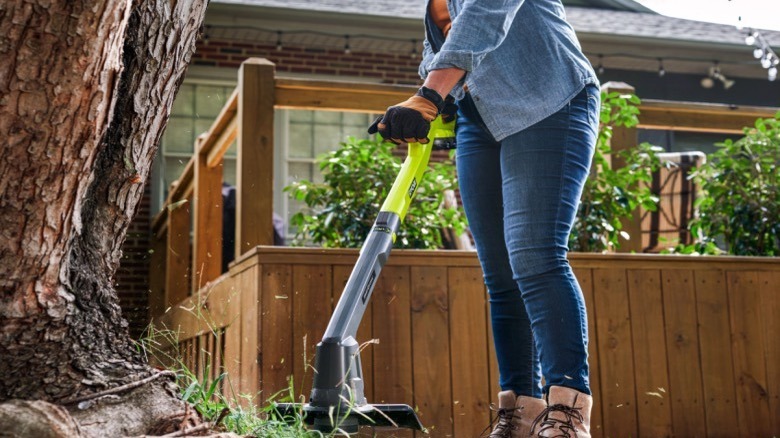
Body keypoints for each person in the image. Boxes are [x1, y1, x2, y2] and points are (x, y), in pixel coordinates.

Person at [368, 0, 599, 436]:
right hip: (481, 121)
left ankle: (568, 411)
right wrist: (436, 102)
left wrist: (430, 93)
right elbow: (439, 48)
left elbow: (486, 16)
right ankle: (520, 409)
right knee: (500, 273)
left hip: (550, 101)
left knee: (536, 256)